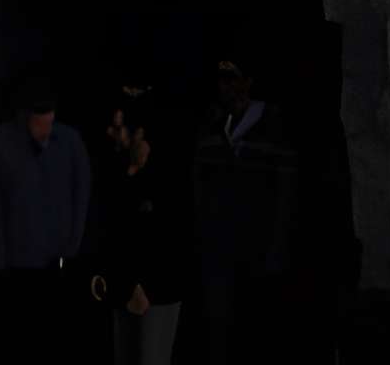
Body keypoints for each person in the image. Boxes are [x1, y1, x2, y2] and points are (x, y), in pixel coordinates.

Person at [192, 56, 302, 362]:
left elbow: (286, 195)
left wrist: (278, 246)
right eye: (220, 78)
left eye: (231, 77)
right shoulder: (212, 125)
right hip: (218, 250)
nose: (223, 85)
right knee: (220, 334)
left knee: (257, 333)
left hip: (259, 249)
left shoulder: (273, 126)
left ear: (248, 81)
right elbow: (199, 185)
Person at [0, 78, 90, 362]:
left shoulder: (69, 142)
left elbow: (82, 195)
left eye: (49, 121)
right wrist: (0, 258)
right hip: (18, 262)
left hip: (58, 260)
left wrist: (73, 245)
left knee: (55, 338)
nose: (45, 130)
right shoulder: (3, 141)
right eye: (38, 122)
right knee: (21, 339)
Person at [93, 108, 188, 363]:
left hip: (153, 290)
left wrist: (142, 285)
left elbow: (161, 234)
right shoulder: (116, 171)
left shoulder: (161, 179)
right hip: (127, 287)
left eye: (121, 128)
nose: (114, 133)